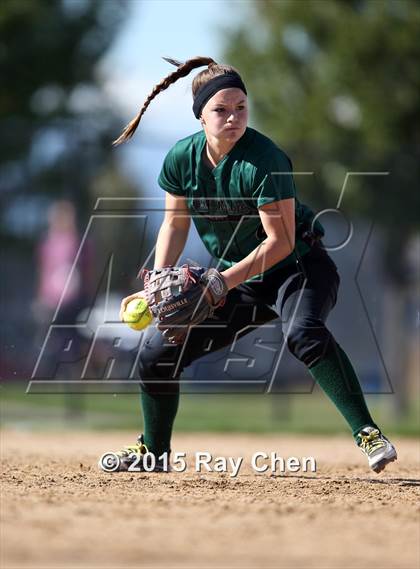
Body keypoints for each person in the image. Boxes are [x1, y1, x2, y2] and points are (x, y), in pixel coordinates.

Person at [98, 56, 397, 474]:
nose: (233, 117)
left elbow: (282, 241)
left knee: (304, 333)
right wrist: (157, 282)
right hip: (241, 277)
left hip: (297, 266)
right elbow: (174, 222)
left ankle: (368, 433)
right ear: (200, 114)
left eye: (241, 107)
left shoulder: (264, 159)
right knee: (156, 353)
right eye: (221, 109)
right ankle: (154, 450)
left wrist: (220, 281)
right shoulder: (181, 159)